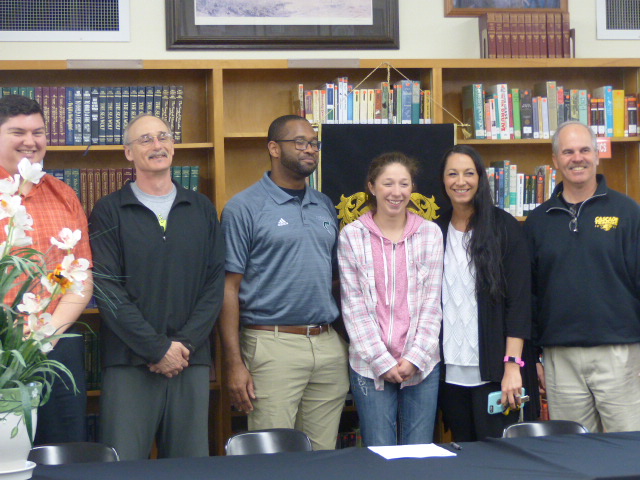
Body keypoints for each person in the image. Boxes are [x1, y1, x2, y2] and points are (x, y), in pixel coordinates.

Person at [89, 113, 225, 460]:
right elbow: (107, 289)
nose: (157, 145)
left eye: (163, 136)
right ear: (128, 153)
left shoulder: (201, 208)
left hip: (190, 359)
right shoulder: (109, 211)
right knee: (123, 465)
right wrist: (156, 349)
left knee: (188, 467)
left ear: (173, 146)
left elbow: (214, 284)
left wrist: (183, 345)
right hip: (129, 361)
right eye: (145, 139)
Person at [220, 114, 349, 451]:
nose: (310, 150)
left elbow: (336, 279)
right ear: (274, 148)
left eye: (314, 143)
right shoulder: (243, 208)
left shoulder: (324, 204)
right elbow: (228, 288)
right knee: (273, 459)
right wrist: (234, 363)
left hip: (326, 345)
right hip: (271, 344)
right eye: (300, 142)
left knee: (322, 457)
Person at [524, 120, 640, 433]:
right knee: (572, 450)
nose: (577, 158)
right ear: (555, 160)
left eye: (585, 150)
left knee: (628, 448)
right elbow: (530, 295)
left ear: (597, 155)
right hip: (560, 359)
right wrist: (533, 356)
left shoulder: (628, 213)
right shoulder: (537, 222)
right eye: (568, 152)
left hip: (621, 354)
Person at [0, 94, 93, 444]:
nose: (31, 141)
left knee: (63, 448)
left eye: (38, 132)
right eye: (18, 132)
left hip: (56, 342)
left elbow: (81, 277)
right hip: (3, 344)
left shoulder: (64, 194)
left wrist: (47, 333)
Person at [337, 152, 443, 446]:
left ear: (412, 188)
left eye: (404, 184)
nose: (396, 192)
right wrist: (381, 361)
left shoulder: (430, 234)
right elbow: (353, 307)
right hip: (369, 366)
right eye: (388, 183)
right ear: (372, 187)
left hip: (422, 365)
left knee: (418, 453)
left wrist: (415, 358)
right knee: (379, 453)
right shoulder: (351, 236)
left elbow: (432, 305)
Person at [436, 144, 537, 441]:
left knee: (500, 457)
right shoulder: (436, 230)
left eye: (469, 173)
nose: (461, 181)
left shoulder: (504, 227)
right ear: (442, 180)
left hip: (497, 373)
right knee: (464, 455)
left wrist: (512, 366)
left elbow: (519, 303)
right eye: (452, 174)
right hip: (449, 375)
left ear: (480, 178)